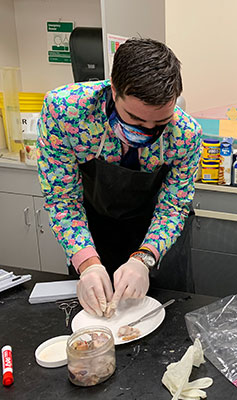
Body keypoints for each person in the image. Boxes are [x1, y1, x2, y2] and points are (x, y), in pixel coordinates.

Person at [37, 38, 202, 316]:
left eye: (160, 123)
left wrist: (144, 259)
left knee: (163, 320)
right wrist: (88, 264)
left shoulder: (185, 135)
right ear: (114, 90)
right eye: (137, 120)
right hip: (92, 231)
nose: (149, 130)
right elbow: (62, 199)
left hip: (155, 237)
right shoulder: (66, 113)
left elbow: (173, 208)